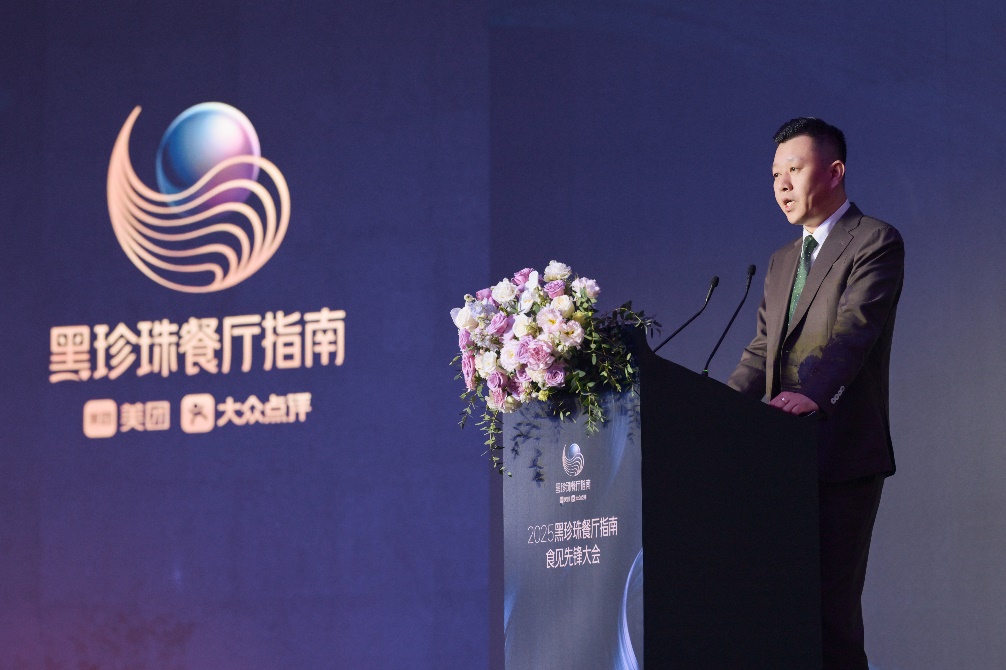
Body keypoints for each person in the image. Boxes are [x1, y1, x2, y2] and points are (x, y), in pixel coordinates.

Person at [727, 117, 904, 670]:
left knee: (830, 619)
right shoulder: (782, 261)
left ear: (834, 171)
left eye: (794, 170)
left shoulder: (874, 241)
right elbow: (763, 350)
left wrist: (815, 395)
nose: (781, 185)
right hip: (780, 459)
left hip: (841, 454)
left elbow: (854, 333)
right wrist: (718, 411)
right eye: (774, 175)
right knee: (782, 618)